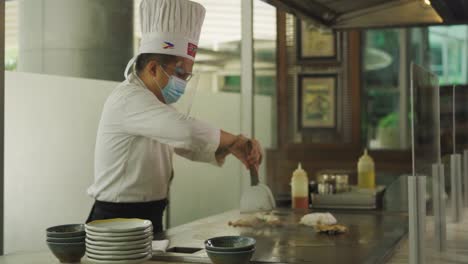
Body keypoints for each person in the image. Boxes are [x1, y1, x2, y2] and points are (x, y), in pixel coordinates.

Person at [86, 0, 263, 237]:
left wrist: (230, 149)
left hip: (149, 215)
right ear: (152, 69)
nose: (183, 82)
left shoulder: (155, 103)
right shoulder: (129, 99)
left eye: (187, 75)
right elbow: (186, 133)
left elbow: (184, 145)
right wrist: (235, 140)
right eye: (179, 73)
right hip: (117, 221)